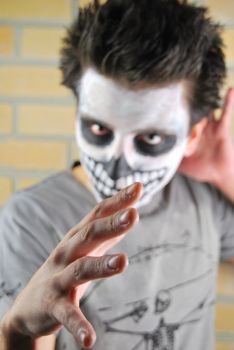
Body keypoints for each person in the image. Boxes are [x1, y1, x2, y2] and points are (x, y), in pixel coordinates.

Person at [0, 0, 234, 349]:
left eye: (150, 138)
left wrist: (225, 175)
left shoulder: (201, 195)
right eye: (98, 129)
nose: (116, 165)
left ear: (193, 136)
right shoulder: (32, 217)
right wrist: (17, 332)